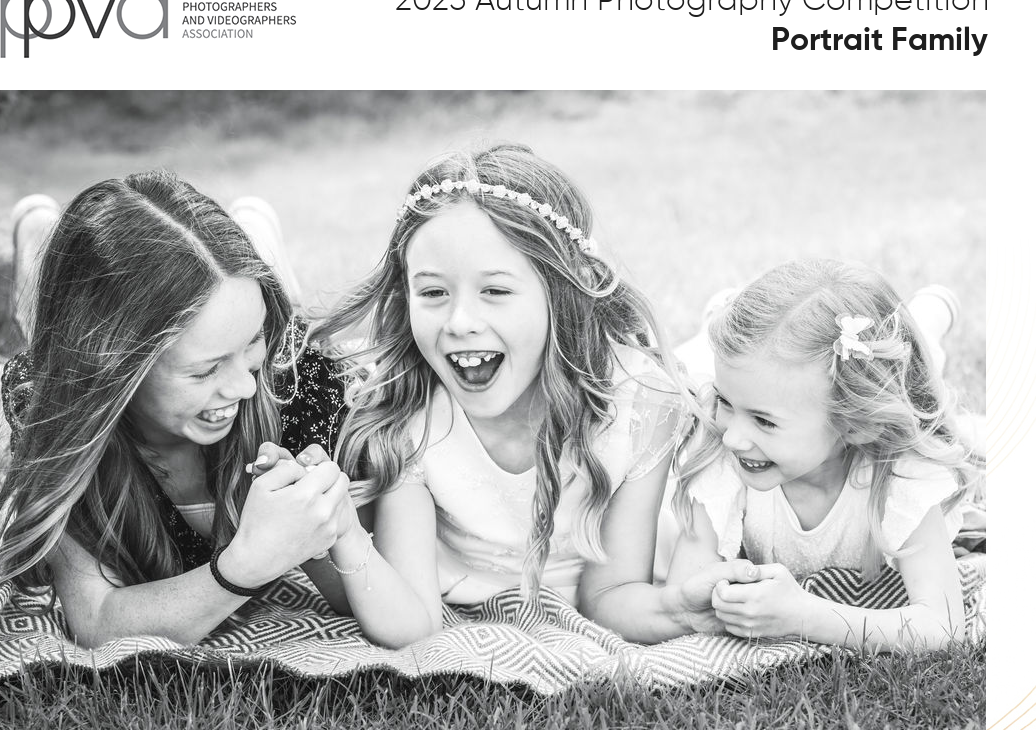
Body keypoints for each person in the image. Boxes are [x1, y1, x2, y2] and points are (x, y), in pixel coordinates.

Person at [302, 144, 746, 647]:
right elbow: (411, 625)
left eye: (495, 291)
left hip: (592, 563)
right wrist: (339, 528)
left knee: (724, 368)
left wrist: (676, 609)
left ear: (561, 292)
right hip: (466, 585)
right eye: (432, 293)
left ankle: (720, 320)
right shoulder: (411, 412)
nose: (460, 322)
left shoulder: (640, 407)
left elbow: (613, 594)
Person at [0, 170, 357, 649]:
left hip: (276, 337)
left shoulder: (301, 388)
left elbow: (364, 587)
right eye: (205, 372)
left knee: (275, 303)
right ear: (113, 369)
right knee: (35, 323)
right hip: (71, 351)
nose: (245, 388)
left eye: (253, 344)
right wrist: (243, 567)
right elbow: (95, 619)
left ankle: (257, 232)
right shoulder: (56, 407)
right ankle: (36, 226)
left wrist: (321, 529)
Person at [670, 259, 982, 649]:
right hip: (763, 380)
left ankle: (928, 316)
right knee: (696, 366)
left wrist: (806, 616)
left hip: (869, 386)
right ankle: (718, 315)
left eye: (764, 422)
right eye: (725, 402)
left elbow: (943, 627)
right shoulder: (723, 449)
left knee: (921, 370)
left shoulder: (900, 473)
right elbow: (684, 590)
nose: (733, 437)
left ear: (855, 425)